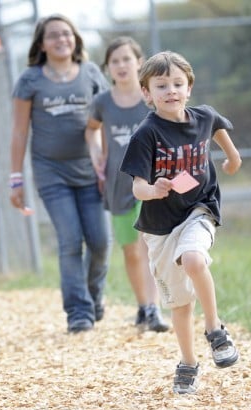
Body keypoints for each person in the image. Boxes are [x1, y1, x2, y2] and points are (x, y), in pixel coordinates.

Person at [120, 51, 241, 394]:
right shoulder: (147, 133)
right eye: (161, 85)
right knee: (180, 304)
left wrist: (233, 157)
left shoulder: (202, 116)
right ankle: (188, 362)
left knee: (194, 259)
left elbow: (215, 126)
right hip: (159, 226)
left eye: (177, 83)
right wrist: (154, 190)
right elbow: (137, 188)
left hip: (199, 207)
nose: (171, 90)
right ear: (147, 93)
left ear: (189, 87)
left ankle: (215, 329)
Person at [9, 14, 111, 333]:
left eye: (66, 34)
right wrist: (16, 178)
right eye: (53, 35)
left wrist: (107, 164)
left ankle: (93, 296)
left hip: (90, 171)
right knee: (70, 241)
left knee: (100, 242)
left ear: (75, 39)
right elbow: (19, 131)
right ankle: (78, 312)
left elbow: (107, 120)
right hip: (51, 173)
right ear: (42, 44)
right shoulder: (30, 79)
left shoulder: (92, 74)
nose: (61, 40)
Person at [84, 37, 169, 333]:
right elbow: (91, 130)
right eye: (114, 61)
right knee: (131, 250)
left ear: (138, 62)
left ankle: (153, 309)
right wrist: (97, 156)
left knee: (150, 245)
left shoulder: (151, 98)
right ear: (108, 68)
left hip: (151, 185)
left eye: (126, 59)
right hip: (118, 184)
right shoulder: (102, 102)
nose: (120, 65)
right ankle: (142, 305)